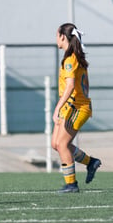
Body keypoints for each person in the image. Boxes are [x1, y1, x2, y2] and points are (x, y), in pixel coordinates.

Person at [52, 23, 101, 193]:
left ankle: (71, 184)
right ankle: (91, 162)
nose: (55, 39)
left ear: (63, 37)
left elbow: (71, 86)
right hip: (71, 106)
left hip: (77, 107)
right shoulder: (72, 56)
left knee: (62, 144)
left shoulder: (70, 59)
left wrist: (57, 107)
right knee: (56, 144)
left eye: (56, 35)